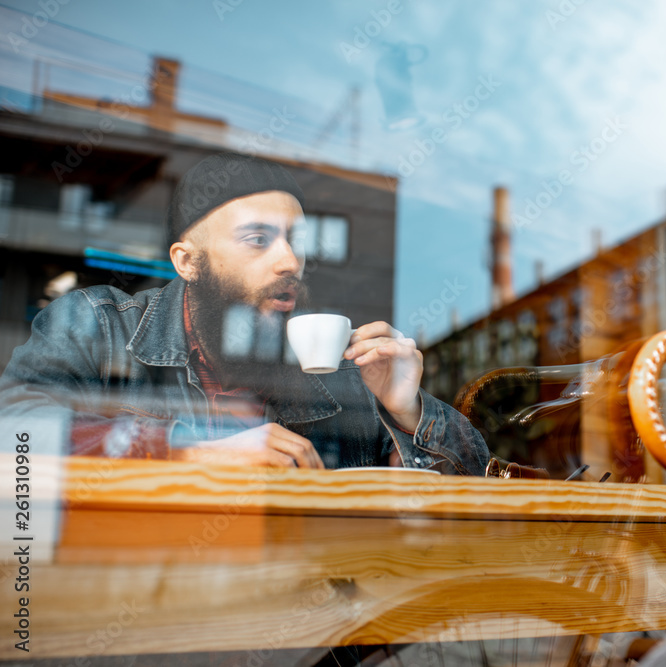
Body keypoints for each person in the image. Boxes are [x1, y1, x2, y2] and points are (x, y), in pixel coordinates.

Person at [0, 152, 489, 475]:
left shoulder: (344, 373)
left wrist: (409, 412)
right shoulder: (98, 325)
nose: (290, 262)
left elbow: (471, 509)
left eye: (296, 242)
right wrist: (184, 448)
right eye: (258, 239)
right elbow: (14, 436)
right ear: (186, 261)